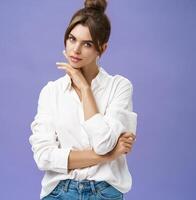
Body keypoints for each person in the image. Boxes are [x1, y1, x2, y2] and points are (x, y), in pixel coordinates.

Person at [29, 0, 138, 199]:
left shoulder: (119, 87)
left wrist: (85, 88)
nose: (75, 50)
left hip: (104, 192)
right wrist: (108, 156)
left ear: (102, 49)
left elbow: (103, 143)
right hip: (59, 192)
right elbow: (43, 157)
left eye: (87, 44)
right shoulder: (51, 92)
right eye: (72, 39)